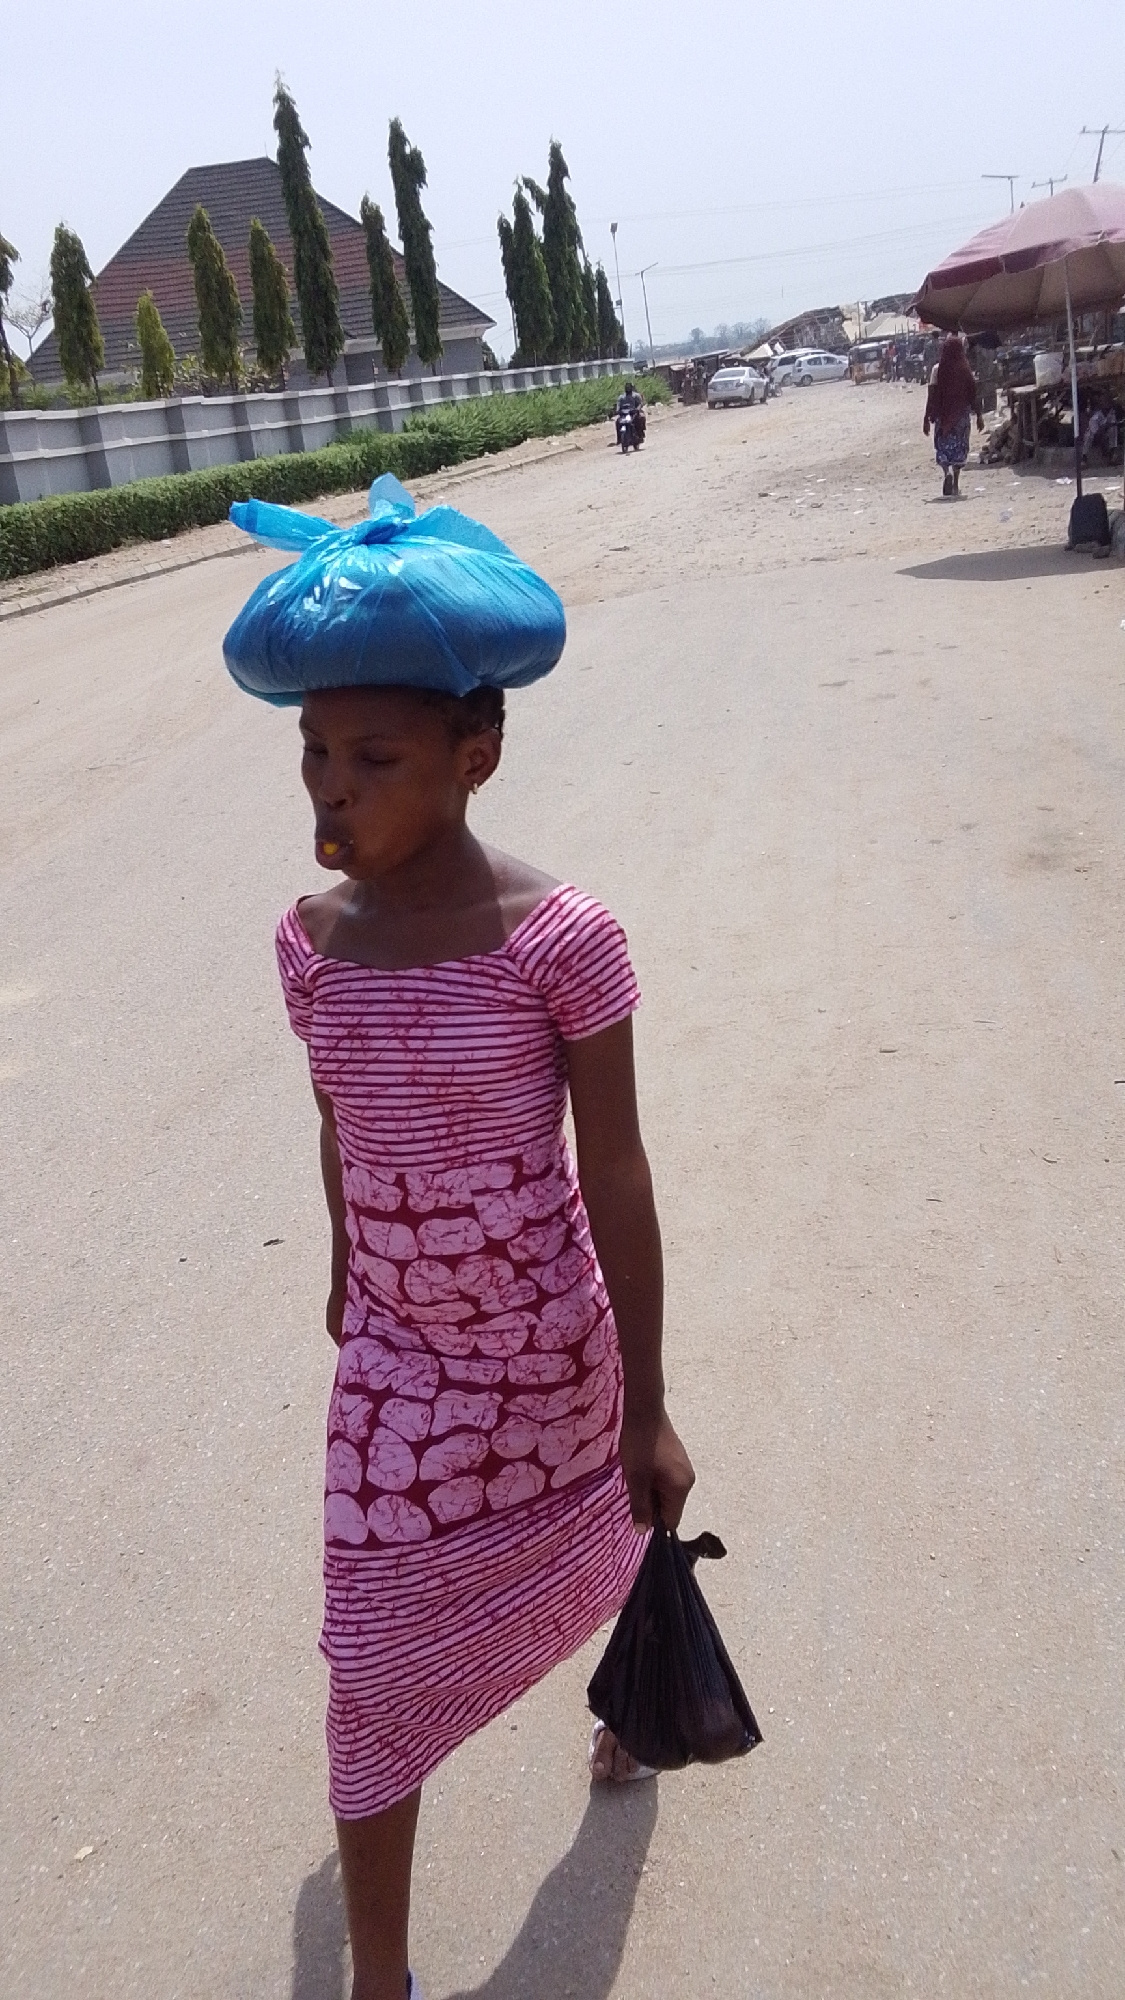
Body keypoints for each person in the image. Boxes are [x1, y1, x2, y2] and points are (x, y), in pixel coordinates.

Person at [222, 475, 695, 2000]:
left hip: (548, 1347)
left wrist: (646, 1398)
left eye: (374, 759)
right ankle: (381, 1975)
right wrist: (344, 1270)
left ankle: (633, 1695)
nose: (330, 791)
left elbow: (615, 1170)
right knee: (368, 1661)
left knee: (603, 1529)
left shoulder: (561, 940)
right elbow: (338, 1119)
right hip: (399, 1366)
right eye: (315, 752)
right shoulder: (310, 945)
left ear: (472, 758)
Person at [923, 333, 984, 496]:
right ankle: (955, 482)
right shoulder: (965, 369)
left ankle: (947, 472)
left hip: (942, 416)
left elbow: (931, 395)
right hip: (961, 417)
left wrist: (926, 419)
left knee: (943, 447)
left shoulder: (937, 369)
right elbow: (973, 394)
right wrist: (979, 415)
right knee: (960, 448)